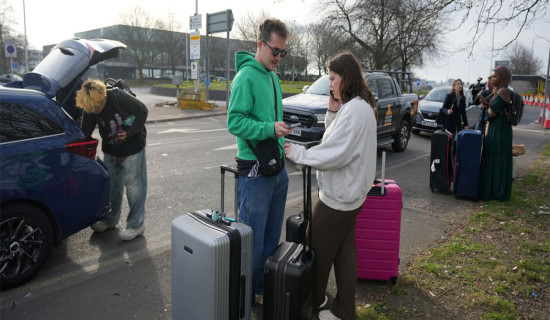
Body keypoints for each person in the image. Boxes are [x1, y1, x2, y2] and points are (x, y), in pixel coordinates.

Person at [284, 51, 377, 320]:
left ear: (346, 77)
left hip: (338, 198)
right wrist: (332, 111)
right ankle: (345, 310)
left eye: (333, 78)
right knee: (345, 253)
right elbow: (335, 137)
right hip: (351, 197)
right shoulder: (357, 106)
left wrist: (298, 153)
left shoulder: (356, 110)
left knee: (317, 249)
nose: (331, 84)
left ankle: (314, 303)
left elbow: (335, 151)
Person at [226, 18, 294, 305]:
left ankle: (262, 288)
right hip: (254, 172)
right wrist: (269, 129)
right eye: (274, 51)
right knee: (251, 241)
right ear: (260, 44)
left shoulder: (273, 78)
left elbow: (269, 119)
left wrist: (280, 139)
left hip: (276, 168)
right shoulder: (245, 77)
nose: (278, 58)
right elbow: (234, 122)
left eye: (283, 53)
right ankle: (247, 297)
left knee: (270, 237)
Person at [75, 79, 148, 241]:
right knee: (112, 187)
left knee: (134, 187)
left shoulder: (118, 96)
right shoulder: (91, 106)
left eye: (96, 108)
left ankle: (136, 225)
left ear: (103, 98)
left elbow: (142, 110)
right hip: (111, 151)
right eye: (90, 109)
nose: (94, 111)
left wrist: (129, 133)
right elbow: (85, 131)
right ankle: (111, 219)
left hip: (132, 148)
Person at [479, 66, 513, 201]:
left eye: (495, 76)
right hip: (498, 129)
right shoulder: (498, 91)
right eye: (492, 77)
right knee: (495, 158)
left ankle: (496, 192)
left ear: (503, 78)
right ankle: (495, 190)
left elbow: (492, 113)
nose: (492, 79)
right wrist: (488, 105)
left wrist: (487, 108)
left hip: (499, 130)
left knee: (497, 159)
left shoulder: (502, 92)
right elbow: (492, 110)